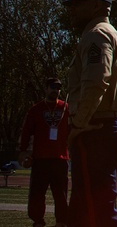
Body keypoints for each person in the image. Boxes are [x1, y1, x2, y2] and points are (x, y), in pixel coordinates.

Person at [63, 0, 117, 227]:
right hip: (116, 127)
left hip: (96, 132)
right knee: (87, 211)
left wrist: (78, 123)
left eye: (77, 3)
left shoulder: (96, 36)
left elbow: (97, 82)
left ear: (97, 6)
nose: (71, 9)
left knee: (95, 213)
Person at [18, 77, 70, 227]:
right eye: (52, 87)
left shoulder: (66, 108)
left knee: (61, 195)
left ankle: (61, 221)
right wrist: (23, 151)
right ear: (46, 88)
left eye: (58, 87)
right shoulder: (36, 109)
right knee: (37, 194)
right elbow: (26, 132)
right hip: (41, 159)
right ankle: (38, 221)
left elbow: (73, 130)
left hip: (60, 159)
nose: (56, 90)